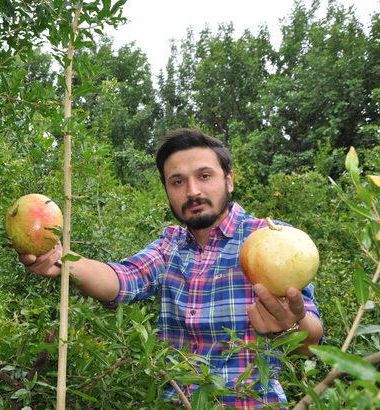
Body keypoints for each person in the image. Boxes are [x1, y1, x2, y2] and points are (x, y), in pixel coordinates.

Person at [16, 128, 323, 408]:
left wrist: (291, 326)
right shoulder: (169, 245)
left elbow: (311, 344)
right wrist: (62, 260)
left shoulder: (271, 240)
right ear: (166, 190)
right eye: (177, 181)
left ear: (228, 180)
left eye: (204, 176)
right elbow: (124, 279)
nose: (192, 191)